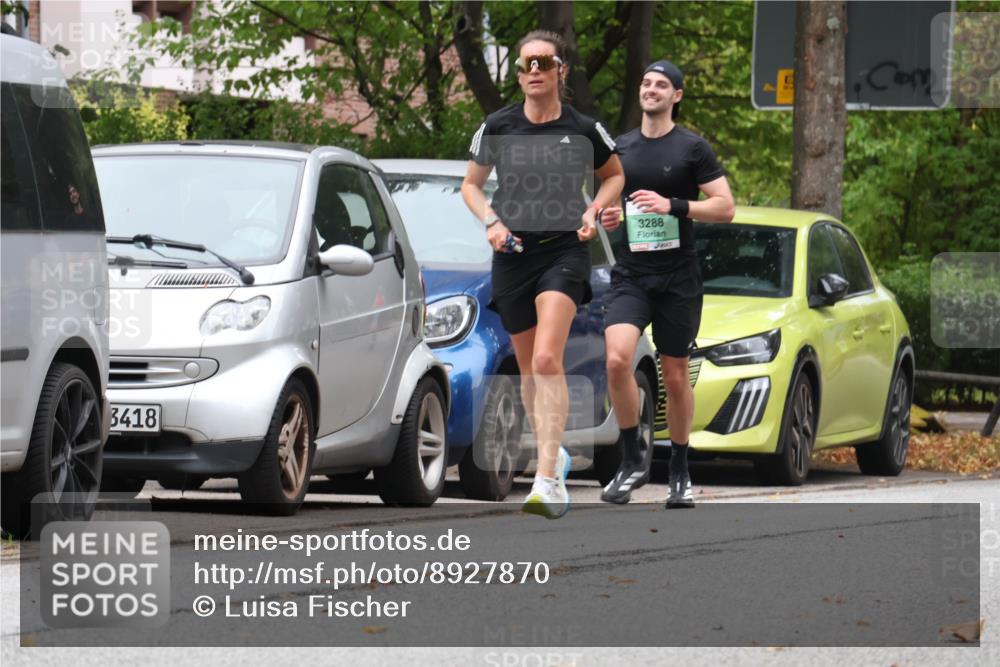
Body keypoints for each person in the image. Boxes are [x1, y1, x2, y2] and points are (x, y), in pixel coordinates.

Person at [461, 30, 624, 519]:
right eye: (526, 64)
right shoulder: (498, 126)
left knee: (549, 358)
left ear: (560, 71)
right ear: (518, 74)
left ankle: (547, 477)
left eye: (544, 63)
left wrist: (595, 209)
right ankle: (554, 455)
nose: (534, 71)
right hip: (513, 254)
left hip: (564, 251)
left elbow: (614, 175)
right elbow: (471, 186)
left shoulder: (583, 129)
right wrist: (491, 223)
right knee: (530, 368)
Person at [599, 60, 735, 508]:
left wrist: (673, 205)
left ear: (676, 95)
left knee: (675, 375)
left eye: (660, 84)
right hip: (632, 275)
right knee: (617, 359)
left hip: (678, 278)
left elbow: (725, 207)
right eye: (645, 82)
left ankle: (679, 469)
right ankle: (631, 458)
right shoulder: (620, 147)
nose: (650, 89)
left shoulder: (692, 148)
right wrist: (612, 217)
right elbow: (610, 205)